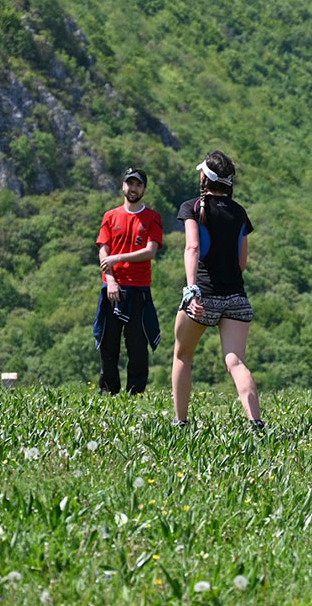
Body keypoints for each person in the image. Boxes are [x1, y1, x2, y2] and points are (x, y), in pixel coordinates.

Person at [171, 151, 262, 431]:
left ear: (204, 178)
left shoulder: (193, 207)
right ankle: (255, 421)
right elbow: (242, 262)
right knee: (235, 361)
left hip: (203, 295)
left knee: (183, 355)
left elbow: (193, 248)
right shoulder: (239, 213)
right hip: (236, 295)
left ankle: (181, 421)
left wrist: (191, 290)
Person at [93, 167, 162, 395]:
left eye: (138, 184)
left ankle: (136, 394)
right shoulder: (110, 217)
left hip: (139, 288)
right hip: (112, 288)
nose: (133, 188)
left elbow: (150, 251)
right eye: (130, 183)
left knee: (137, 347)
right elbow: (103, 251)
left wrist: (118, 257)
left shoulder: (152, 218)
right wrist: (111, 280)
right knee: (108, 344)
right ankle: (108, 393)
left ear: (144, 188)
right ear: (123, 185)